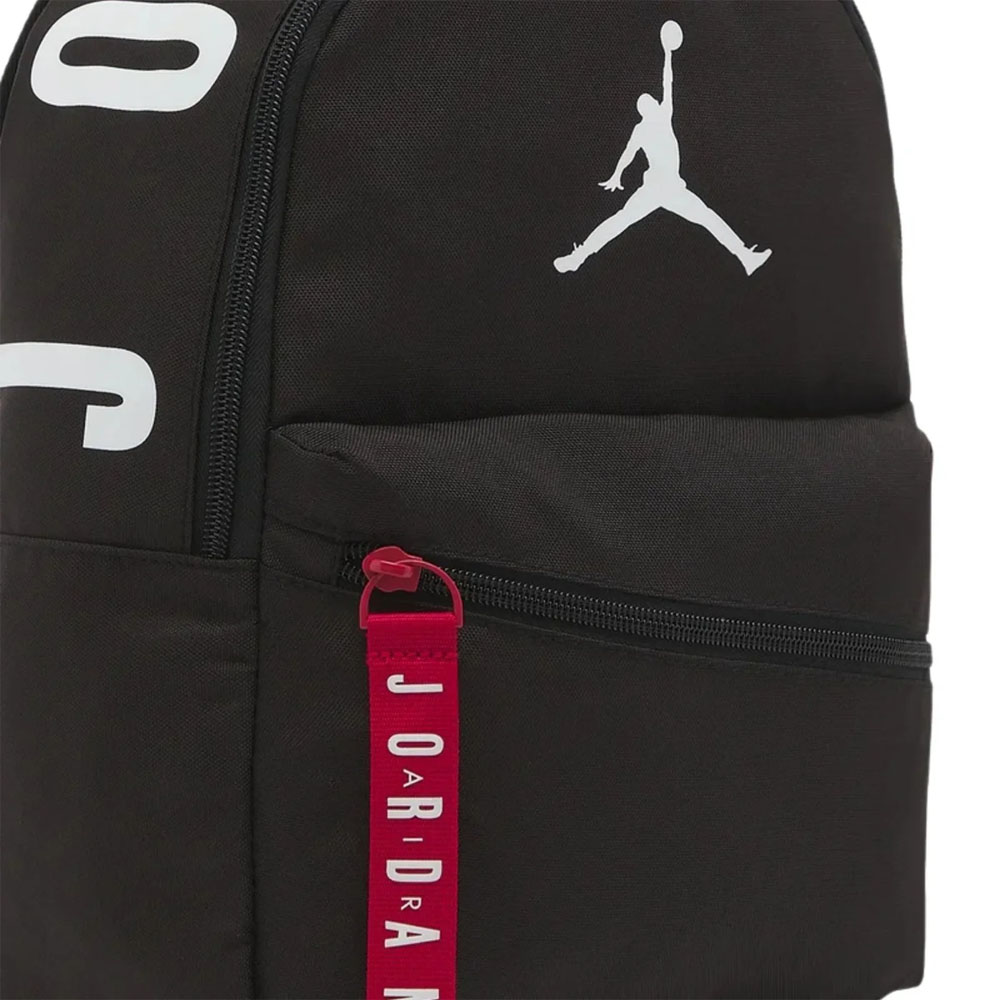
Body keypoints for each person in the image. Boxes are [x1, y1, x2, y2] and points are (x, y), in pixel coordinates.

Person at [554, 21, 772, 276]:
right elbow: (629, 152)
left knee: (700, 217)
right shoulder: (651, 123)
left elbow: (667, 83)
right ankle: (577, 257)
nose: (656, 101)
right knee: (629, 221)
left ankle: (745, 256)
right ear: (645, 109)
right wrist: (617, 174)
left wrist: (668, 54)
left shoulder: (658, 118)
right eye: (650, 101)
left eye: (653, 100)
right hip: (657, 187)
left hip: (671, 188)